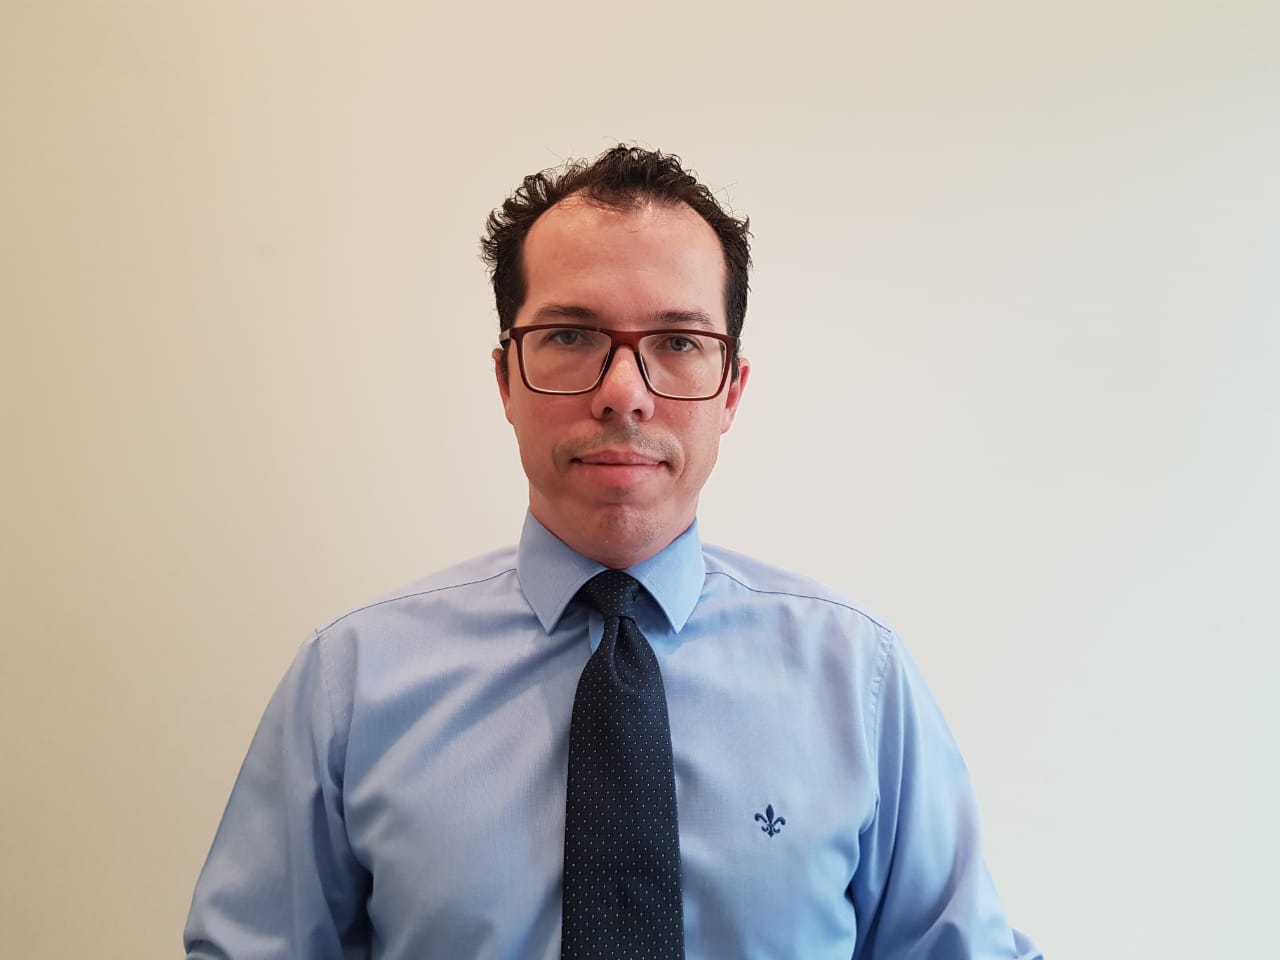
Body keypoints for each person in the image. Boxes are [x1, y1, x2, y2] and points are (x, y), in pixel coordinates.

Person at [185, 145, 1042, 959]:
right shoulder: (352, 684)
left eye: (678, 342)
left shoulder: (860, 682)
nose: (624, 394)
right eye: (570, 336)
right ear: (505, 379)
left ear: (731, 391)